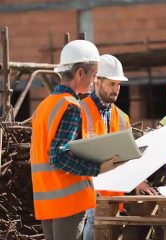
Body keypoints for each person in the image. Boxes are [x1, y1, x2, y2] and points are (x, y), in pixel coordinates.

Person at [30, 40, 120, 240]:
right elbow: (58, 157)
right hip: (68, 202)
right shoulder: (70, 106)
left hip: (47, 200)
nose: (93, 81)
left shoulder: (43, 107)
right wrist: (99, 168)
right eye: (94, 75)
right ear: (80, 73)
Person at [80, 54, 157, 240]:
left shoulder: (122, 118)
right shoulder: (79, 110)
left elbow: (126, 156)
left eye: (118, 85)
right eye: (111, 84)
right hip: (88, 201)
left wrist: (138, 181)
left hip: (113, 202)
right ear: (97, 81)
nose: (116, 89)